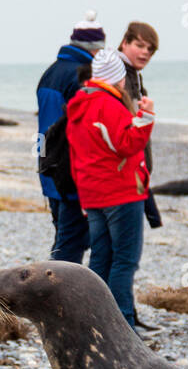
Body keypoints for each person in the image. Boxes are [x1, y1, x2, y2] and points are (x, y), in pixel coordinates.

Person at [65, 49, 155, 330]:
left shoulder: (80, 103)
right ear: (118, 80)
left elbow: (77, 152)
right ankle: (123, 326)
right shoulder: (108, 105)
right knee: (124, 261)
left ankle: (92, 322)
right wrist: (146, 116)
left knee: (101, 258)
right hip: (121, 193)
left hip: (93, 194)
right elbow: (126, 144)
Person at [35, 10, 103, 263]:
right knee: (72, 241)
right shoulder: (82, 76)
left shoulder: (50, 71)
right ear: (95, 49)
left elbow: (43, 126)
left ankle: (49, 290)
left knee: (64, 235)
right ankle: (52, 296)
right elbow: (82, 127)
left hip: (47, 164)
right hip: (68, 170)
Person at [117, 21, 163, 331]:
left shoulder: (133, 74)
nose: (144, 52)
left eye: (150, 49)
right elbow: (125, 130)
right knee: (124, 256)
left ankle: (126, 313)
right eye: (140, 45)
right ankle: (123, 321)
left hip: (134, 173)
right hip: (124, 178)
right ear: (125, 43)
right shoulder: (119, 74)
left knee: (121, 255)